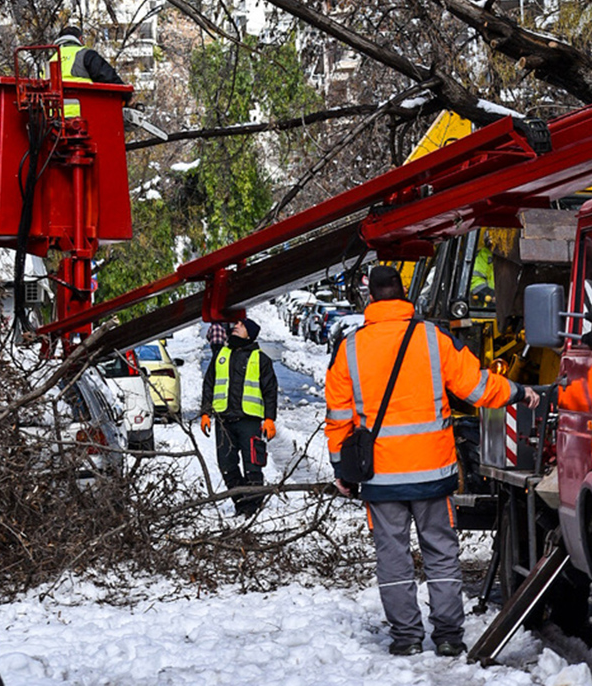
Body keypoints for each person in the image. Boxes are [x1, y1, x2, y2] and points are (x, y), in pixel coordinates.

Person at [324, 265, 539, 658]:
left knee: (392, 558)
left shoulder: (350, 349)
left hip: (381, 477)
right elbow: (475, 387)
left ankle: (406, 637)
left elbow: (339, 417)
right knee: (440, 553)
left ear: (370, 297)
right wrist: (518, 391)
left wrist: (343, 470)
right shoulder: (432, 339)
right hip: (432, 473)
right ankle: (448, 636)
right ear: (404, 293)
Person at [201, 318, 278, 517]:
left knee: (253, 466)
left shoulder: (260, 359)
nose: (236, 326)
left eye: (242, 325)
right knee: (227, 466)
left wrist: (270, 419)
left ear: (250, 334)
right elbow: (209, 385)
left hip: (249, 422)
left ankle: (252, 508)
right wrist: (205, 413)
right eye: (236, 324)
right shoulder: (221, 355)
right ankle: (241, 503)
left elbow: (270, 391)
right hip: (224, 422)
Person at [50, 25, 126, 85]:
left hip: (56, 105)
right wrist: (127, 96)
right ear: (80, 39)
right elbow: (108, 77)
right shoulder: (85, 55)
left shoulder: (51, 59)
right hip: (84, 104)